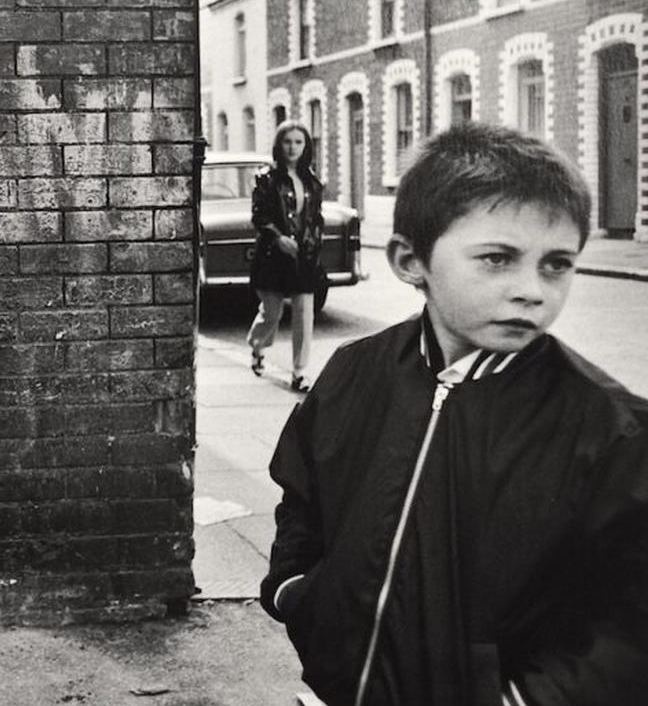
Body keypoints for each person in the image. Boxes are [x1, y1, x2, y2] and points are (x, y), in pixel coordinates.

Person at [260, 123, 648, 706]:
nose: (532, 291)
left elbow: (628, 632)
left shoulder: (611, 431)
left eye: (556, 264)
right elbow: (302, 496)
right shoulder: (353, 371)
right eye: (498, 258)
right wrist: (297, 592)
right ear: (411, 260)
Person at [248, 120, 325, 393]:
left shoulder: (312, 181)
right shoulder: (267, 179)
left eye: (298, 142)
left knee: (305, 314)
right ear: (279, 145)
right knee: (272, 313)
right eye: (288, 141)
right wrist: (278, 238)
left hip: (303, 258)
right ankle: (257, 346)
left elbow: (316, 218)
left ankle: (300, 372)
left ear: (306, 146)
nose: (293, 147)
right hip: (273, 256)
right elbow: (259, 216)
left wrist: (312, 244)